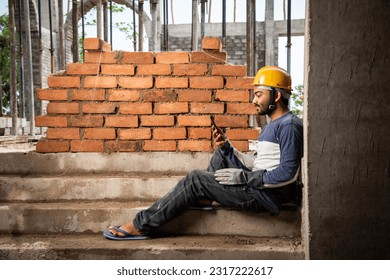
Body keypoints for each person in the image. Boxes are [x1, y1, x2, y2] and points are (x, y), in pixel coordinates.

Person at [103, 66, 303, 240]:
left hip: (265, 196)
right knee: (221, 153)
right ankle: (205, 197)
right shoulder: (273, 124)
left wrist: (245, 177)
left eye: (259, 94)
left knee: (196, 179)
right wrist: (228, 149)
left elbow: (288, 173)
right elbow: (261, 164)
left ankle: (140, 225)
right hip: (260, 186)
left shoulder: (289, 126)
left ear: (276, 96)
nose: (254, 100)